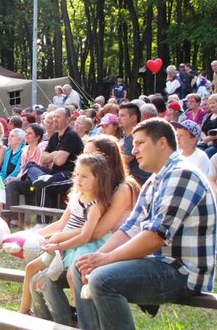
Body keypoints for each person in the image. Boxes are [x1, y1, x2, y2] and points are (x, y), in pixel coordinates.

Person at [72, 118, 217, 330]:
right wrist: (95, 258)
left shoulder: (183, 174)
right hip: (157, 264)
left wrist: (107, 259)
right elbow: (130, 228)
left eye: (140, 143)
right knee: (81, 268)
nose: (134, 149)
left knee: (102, 279)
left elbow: (155, 236)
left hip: (182, 272)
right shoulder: (155, 180)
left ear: (162, 143)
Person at [29, 135, 140, 324]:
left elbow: (96, 233)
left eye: (89, 154)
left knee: (75, 272)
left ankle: (87, 324)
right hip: (88, 248)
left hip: (114, 251)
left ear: (104, 159)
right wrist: (31, 236)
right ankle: (64, 323)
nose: (83, 159)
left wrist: (59, 240)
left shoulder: (123, 188)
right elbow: (65, 223)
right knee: (40, 280)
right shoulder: (90, 189)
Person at [20, 153, 114, 314]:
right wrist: (35, 235)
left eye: (85, 176)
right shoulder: (76, 198)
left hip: (80, 246)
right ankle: (23, 312)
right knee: (30, 268)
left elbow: (85, 236)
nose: (79, 180)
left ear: (99, 179)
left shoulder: (96, 206)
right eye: (77, 175)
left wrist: (59, 245)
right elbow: (61, 224)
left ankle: (81, 314)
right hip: (61, 244)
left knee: (73, 277)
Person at [35, 108, 84, 214]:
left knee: (44, 184)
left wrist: (51, 155)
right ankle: (40, 177)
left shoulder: (71, 135)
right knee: (30, 166)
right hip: (55, 172)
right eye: (54, 116)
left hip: (70, 174)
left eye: (58, 117)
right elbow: (43, 158)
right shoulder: (55, 136)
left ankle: (43, 222)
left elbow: (59, 161)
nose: (54, 119)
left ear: (67, 119)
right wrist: (55, 154)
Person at [117, 103, 151, 185]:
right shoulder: (127, 134)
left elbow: (124, 160)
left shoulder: (136, 136)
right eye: (118, 115)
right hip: (134, 181)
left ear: (133, 118)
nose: (118, 118)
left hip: (141, 183)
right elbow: (119, 149)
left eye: (122, 116)